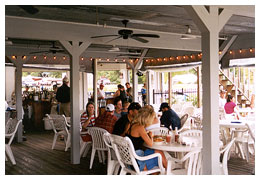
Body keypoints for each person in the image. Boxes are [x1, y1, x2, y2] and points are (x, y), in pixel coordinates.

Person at [126, 106, 167, 170]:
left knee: (158, 152)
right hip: (137, 160)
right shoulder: (140, 127)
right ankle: (168, 171)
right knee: (159, 153)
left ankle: (166, 170)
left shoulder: (131, 124)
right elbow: (150, 144)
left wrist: (146, 133)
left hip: (129, 158)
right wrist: (151, 136)